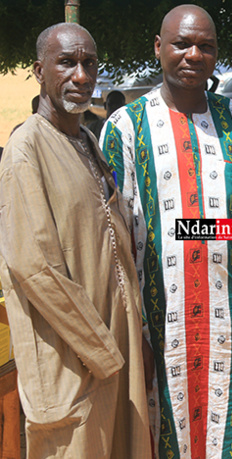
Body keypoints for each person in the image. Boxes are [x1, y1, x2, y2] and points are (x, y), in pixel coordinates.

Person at [100, 5, 232, 458]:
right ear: (158, 48)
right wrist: (130, 334)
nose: (193, 55)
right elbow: (112, 240)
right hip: (158, 328)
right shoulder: (125, 128)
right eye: (182, 44)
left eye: (205, 46)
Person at [0, 23, 151, 458]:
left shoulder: (86, 140)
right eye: (67, 62)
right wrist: (101, 350)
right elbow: (35, 266)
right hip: (72, 359)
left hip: (115, 352)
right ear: (39, 71)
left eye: (89, 63)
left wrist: (130, 334)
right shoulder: (25, 148)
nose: (81, 76)